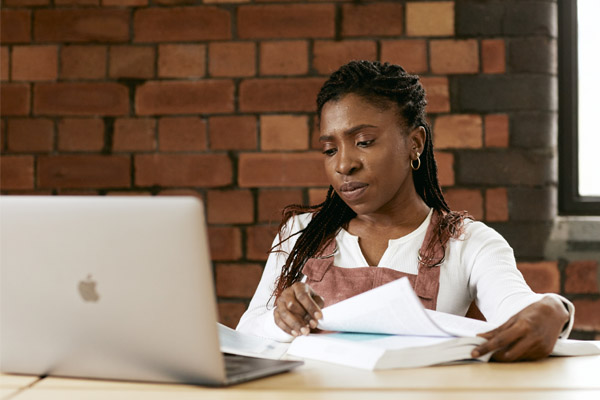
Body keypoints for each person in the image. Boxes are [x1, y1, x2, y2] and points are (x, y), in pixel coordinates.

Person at [237, 61, 573, 362]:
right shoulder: (301, 232)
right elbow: (247, 333)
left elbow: (519, 310)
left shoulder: (469, 243)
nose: (343, 164)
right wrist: (281, 318)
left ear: (415, 143)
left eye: (364, 141)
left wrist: (554, 308)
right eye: (329, 149)